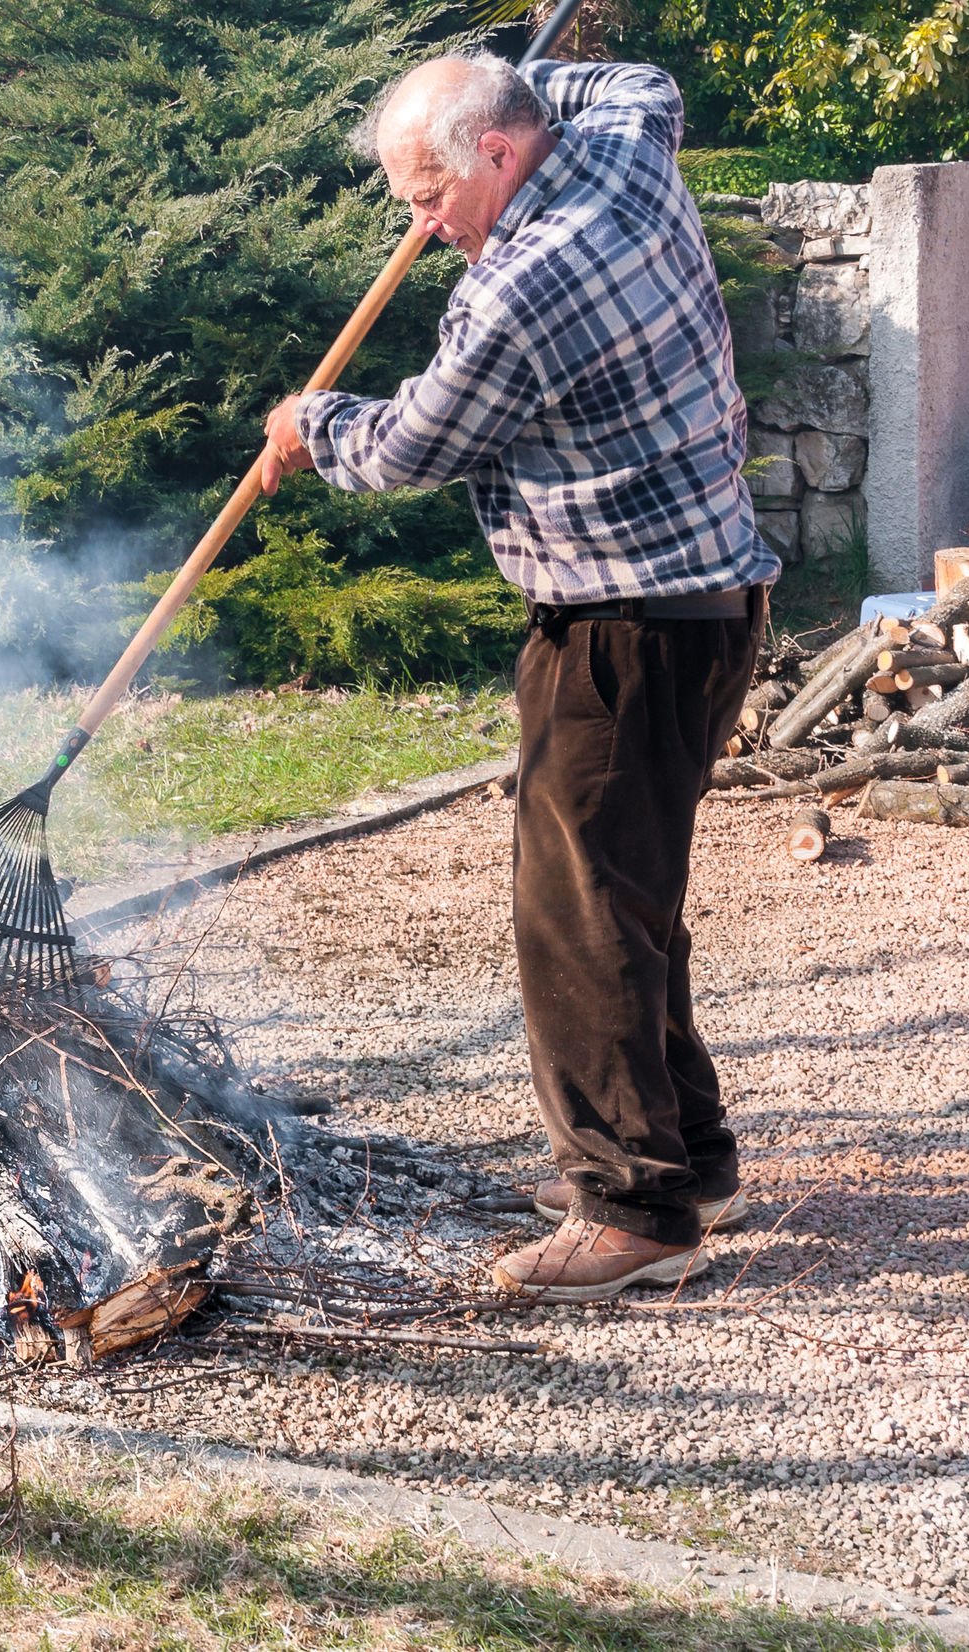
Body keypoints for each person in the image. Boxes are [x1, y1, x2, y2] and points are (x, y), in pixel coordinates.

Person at [257, 52, 780, 1302]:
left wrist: (307, 423)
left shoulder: (524, 289)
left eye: (430, 194)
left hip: (621, 631)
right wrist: (510, 65)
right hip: (710, 602)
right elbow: (637, 73)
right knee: (628, 895)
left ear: (498, 152)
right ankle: (686, 1156)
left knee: (578, 916)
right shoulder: (625, 146)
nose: (422, 224)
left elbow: (410, 446)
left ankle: (631, 1210)